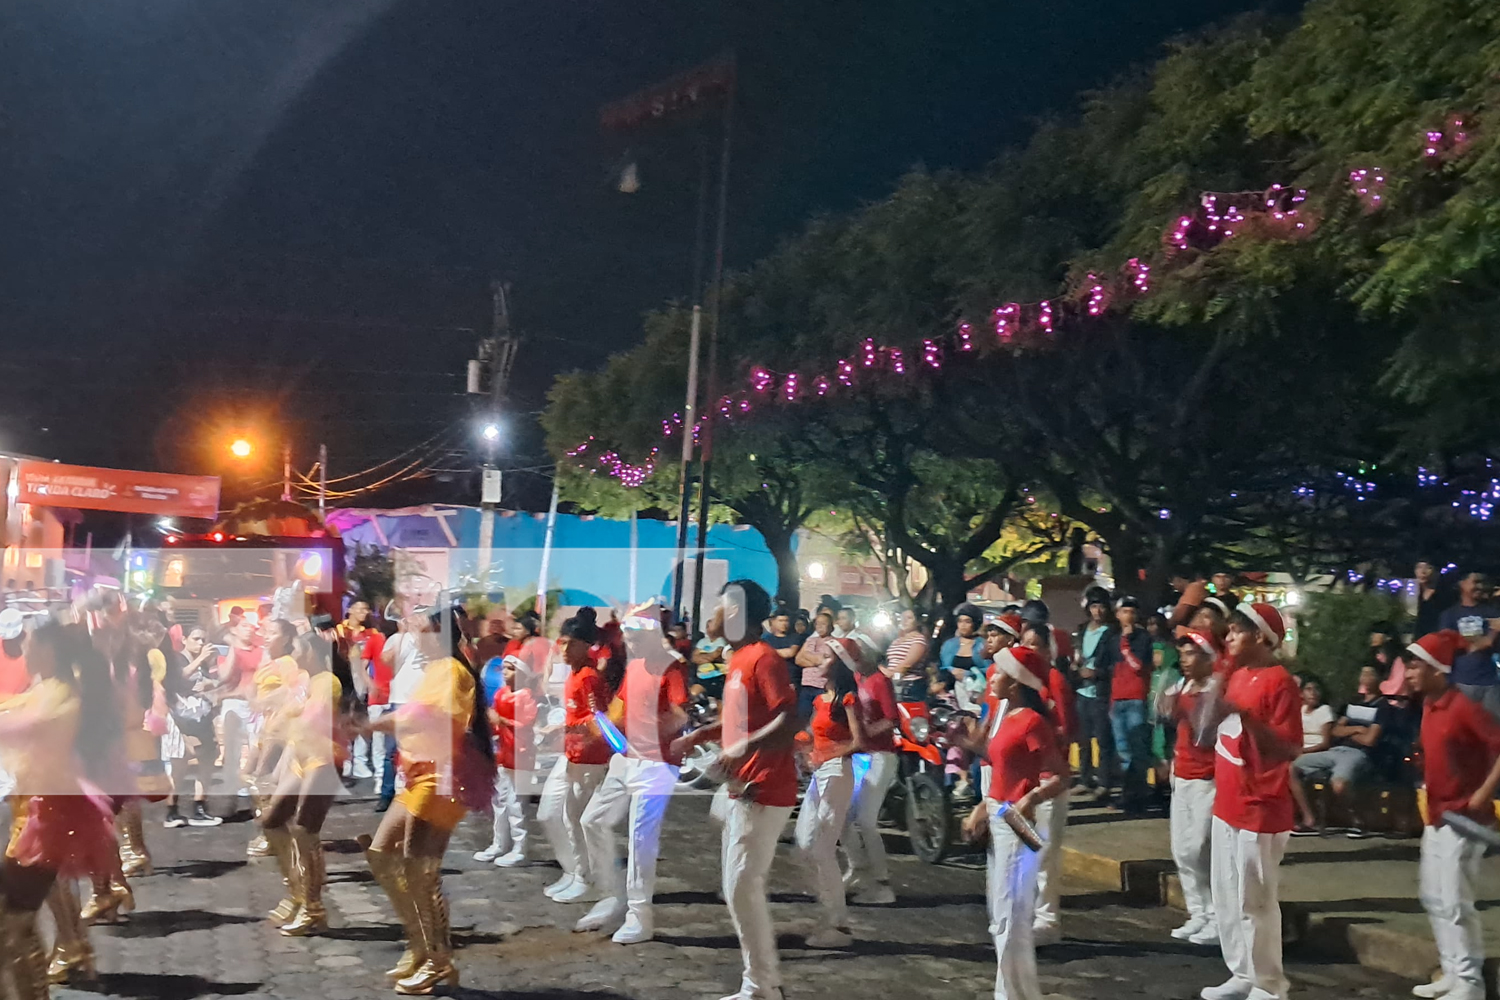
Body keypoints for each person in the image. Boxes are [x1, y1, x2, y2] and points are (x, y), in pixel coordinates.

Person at [672, 580, 798, 1000]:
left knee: (742, 887)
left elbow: (787, 720)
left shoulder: (764, 659)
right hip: (739, 786)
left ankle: (762, 985)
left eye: (723, 605)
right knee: (738, 886)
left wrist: (742, 748)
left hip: (761, 789)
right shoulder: (739, 658)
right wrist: (701, 735)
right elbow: (737, 722)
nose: (716, 613)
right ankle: (760, 982)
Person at [363, 608, 493, 995]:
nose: (413, 635)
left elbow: (427, 717)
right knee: (381, 853)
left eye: (420, 628)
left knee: (420, 870)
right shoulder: (437, 669)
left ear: (438, 632)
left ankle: (439, 962)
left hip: (441, 779)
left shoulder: (452, 671)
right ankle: (422, 948)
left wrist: (375, 723)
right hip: (419, 775)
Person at [0, 620, 124, 992]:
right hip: (37, 813)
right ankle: (63, 956)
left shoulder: (60, 694)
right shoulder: (46, 688)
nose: (23, 648)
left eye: (30, 642)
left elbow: (22, 725)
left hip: (49, 819)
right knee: (13, 920)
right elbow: (12, 709)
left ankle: (38, 985)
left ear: (48, 650)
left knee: (13, 924)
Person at [1200, 603, 1301, 1000]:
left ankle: (1270, 985)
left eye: (1236, 632)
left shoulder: (1280, 682)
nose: (1228, 638)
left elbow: (1290, 746)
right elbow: (1212, 730)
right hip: (1228, 802)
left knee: (1255, 901)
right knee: (1226, 896)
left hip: (1261, 806)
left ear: (1261, 637)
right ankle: (1242, 972)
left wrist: (1244, 715)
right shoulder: (1237, 674)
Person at [958, 644, 1068, 1000]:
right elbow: (1002, 768)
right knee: (1004, 911)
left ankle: (1012, 993)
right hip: (1002, 816)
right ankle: (1014, 990)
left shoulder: (1033, 722)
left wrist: (1030, 798)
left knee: (1009, 913)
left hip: (1018, 822)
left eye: (1000, 671)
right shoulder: (1008, 715)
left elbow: (1061, 776)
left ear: (1016, 682)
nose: (993, 675)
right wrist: (982, 807)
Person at [575, 606, 691, 944]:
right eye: (626, 634)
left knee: (641, 840)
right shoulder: (635, 666)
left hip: (657, 764)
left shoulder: (671, 668)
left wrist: (648, 734)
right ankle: (613, 896)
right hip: (627, 759)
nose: (627, 640)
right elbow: (619, 710)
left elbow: (680, 715)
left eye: (634, 634)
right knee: (591, 821)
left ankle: (640, 916)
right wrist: (591, 727)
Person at [1404, 629, 1500, 1000]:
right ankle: (1451, 971)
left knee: (1455, 901)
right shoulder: (1429, 705)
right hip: (1437, 816)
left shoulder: (1464, 707)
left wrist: (1483, 794)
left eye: (1415, 668)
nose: (1409, 675)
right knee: (1433, 896)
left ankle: (1470, 982)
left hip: (1464, 819)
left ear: (1437, 670)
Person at [260, 628, 346, 938]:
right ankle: (296, 892)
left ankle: (313, 908)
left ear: (312, 653)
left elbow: (315, 718)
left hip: (323, 760)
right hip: (302, 758)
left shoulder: (328, 681)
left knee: (306, 829)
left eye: (298, 650)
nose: (294, 656)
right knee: (272, 820)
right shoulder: (308, 682)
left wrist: (286, 723)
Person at [793, 637, 864, 948]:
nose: (819, 660)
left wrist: (828, 755)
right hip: (820, 773)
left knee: (821, 846)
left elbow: (859, 741)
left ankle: (838, 924)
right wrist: (801, 747)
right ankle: (829, 914)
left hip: (836, 773)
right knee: (804, 842)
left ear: (839, 664)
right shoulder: (821, 701)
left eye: (826, 657)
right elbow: (810, 735)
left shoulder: (848, 699)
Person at [537, 612, 611, 904]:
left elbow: (601, 721)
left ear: (586, 646)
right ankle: (574, 872)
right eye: (562, 643)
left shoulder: (590, 678)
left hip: (588, 759)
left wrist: (563, 728)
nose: (564, 650)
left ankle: (586, 878)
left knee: (576, 819)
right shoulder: (574, 675)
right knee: (549, 813)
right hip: (571, 755)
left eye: (571, 644)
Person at [1158, 629, 1222, 946]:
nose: (1184, 660)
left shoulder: (1216, 690)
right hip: (1181, 773)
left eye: (1191, 654)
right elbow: (1165, 719)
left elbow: (1206, 731)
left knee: (1200, 848)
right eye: (1181, 654)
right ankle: (1198, 913)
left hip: (1208, 777)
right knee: (1181, 849)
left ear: (1208, 657)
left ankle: (1216, 916)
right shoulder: (1180, 685)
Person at [1019, 620, 1074, 946]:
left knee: (1045, 853)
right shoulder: (1025, 681)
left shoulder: (1054, 680)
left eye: (1036, 644)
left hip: (1049, 780)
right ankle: (1028, 914)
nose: (1030, 650)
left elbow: (1066, 729)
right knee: (1027, 852)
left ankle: (1048, 920)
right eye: (1025, 643)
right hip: (1025, 779)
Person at [841, 633, 899, 906]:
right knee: (842, 818)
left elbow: (891, 719)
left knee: (865, 820)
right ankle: (857, 869)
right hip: (860, 756)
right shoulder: (858, 680)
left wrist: (864, 735)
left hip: (880, 757)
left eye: (860, 651)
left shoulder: (880, 681)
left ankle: (882, 884)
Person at [1291, 674, 1381, 838]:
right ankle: (1308, 819)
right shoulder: (1351, 704)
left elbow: (1369, 740)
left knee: (1338, 785)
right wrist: (1358, 729)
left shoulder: (1383, 708)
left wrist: (1348, 732)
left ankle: (1359, 820)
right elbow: (1336, 732)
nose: (1364, 678)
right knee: (1290, 769)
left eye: (1369, 674)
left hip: (1355, 753)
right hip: (1335, 750)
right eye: (1363, 674)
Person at [475, 655, 537, 868]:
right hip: (503, 752)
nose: (504, 673)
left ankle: (520, 847)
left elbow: (526, 724)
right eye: (504, 669)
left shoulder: (526, 696)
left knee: (516, 803)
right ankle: (499, 842)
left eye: (510, 669)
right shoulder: (501, 694)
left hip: (520, 754)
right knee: (499, 799)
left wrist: (500, 721)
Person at [159, 625, 223, 830]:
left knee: (208, 757)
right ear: (184, 639)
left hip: (200, 716)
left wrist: (210, 685)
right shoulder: (177, 659)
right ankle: (171, 809)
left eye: (204, 639)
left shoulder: (203, 663)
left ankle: (199, 807)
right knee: (180, 764)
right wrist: (200, 659)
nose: (201, 643)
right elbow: (178, 679)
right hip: (179, 718)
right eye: (196, 639)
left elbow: (211, 681)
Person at [376, 607, 436, 812]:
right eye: (414, 615)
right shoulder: (395, 638)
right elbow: (387, 661)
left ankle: (416, 792)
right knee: (392, 750)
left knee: (419, 748)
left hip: (422, 700)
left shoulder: (432, 640)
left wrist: (422, 635)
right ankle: (386, 794)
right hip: (400, 699)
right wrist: (402, 633)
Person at [1105, 596, 1154, 814]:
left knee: (1138, 750)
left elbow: (1137, 666)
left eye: (1132, 612)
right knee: (1123, 750)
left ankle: (1139, 793)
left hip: (1136, 699)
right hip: (1118, 700)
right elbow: (1106, 667)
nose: (1129, 616)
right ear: (1117, 615)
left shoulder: (1143, 638)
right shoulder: (1112, 638)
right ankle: (1129, 794)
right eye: (1124, 611)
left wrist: (1125, 646)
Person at [1436, 571, 1500, 720]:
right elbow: (1446, 645)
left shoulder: (1492, 612)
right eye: (1475, 582)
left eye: (1482, 583)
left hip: (1489, 683)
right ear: (1462, 584)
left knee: (1492, 730)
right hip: (1459, 683)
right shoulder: (1449, 615)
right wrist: (1487, 638)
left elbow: (1493, 644)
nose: (1480, 586)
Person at [336, 599, 384, 781]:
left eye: (366, 608)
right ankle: (346, 759)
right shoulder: (339, 630)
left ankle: (360, 761)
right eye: (360, 608)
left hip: (364, 681)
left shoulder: (372, 633)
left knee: (363, 722)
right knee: (345, 722)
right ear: (349, 610)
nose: (364, 612)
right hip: (345, 680)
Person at [1075, 594, 1115, 798]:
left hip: (1100, 692)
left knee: (1102, 739)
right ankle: (1085, 778)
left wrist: (1096, 673)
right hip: (1082, 691)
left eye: (1101, 607)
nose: (1097, 611)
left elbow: (1115, 665)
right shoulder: (1082, 630)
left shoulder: (1110, 633)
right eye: (1094, 606)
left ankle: (1104, 782)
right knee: (1083, 739)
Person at [941, 603, 993, 711]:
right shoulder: (949, 645)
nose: (963, 625)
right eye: (960, 621)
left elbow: (990, 670)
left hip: (974, 694)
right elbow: (941, 666)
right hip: (951, 694)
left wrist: (968, 674)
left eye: (967, 621)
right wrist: (951, 672)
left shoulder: (983, 645)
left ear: (975, 623)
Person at [793, 612, 837, 723]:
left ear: (831, 626)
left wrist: (807, 657)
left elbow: (827, 662)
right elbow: (798, 659)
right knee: (802, 717)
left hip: (822, 686)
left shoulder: (835, 643)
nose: (820, 627)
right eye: (817, 624)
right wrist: (816, 660)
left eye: (823, 624)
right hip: (807, 685)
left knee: (820, 719)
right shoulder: (810, 640)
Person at [883, 609, 930, 695]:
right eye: (902, 618)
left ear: (917, 621)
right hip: (893, 683)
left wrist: (887, 673)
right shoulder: (896, 641)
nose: (904, 621)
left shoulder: (919, 639)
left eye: (909, 618)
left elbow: (907, 664)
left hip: (909, 685)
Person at [761, 605, 803, 687]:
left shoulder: (795, 637)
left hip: (791, 680)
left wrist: (769, 652)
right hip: (772, 679)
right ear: (773, 622)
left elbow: (790, 652)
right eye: (780, 621)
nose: (784, 624)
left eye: (786, 620)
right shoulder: (766, 639)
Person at [1414, 559, 1454, 639]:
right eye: (1419, 567)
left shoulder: (1446, 594)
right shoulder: (1418, 593)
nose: (1423, 572)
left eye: (1428, 568)